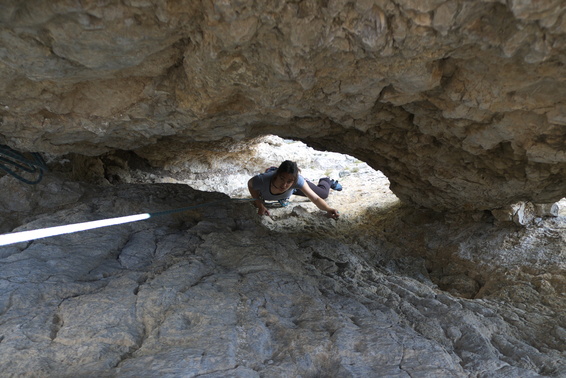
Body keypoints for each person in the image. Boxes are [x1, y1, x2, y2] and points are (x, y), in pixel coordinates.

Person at [247, 160, 341, 219]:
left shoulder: (297, 181)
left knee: (323, 194)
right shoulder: (263, 180)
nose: (284, 185)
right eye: (282, 179)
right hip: (288, 187)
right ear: (276, 175)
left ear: (294, 180)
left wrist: (328, 209)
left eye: (289, 181)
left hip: (293, 189)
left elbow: (315, 199)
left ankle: (326, 180)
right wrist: (259, 204)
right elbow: (250, 184)